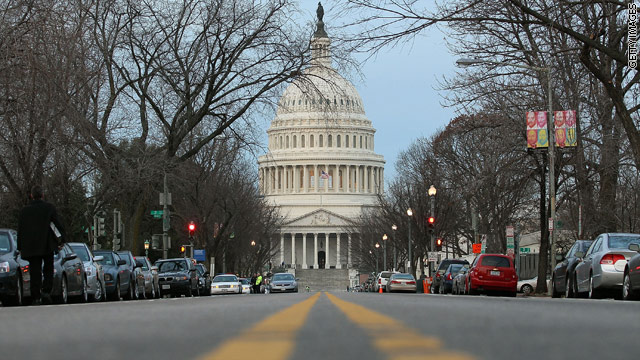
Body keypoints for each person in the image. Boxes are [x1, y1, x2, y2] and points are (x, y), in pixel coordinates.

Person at [17, 185, 65, 305]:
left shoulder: (24, 211)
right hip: (46, 244)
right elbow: (56, 225)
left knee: (34, 271)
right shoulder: (49, 208)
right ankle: (46, 292)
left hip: (31, 246)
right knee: (48, 268)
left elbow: (21, 230)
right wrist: (61, 240)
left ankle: (36, 296)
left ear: (31, 196)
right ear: (42, 195)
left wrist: (20, 247)